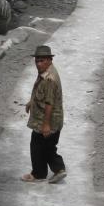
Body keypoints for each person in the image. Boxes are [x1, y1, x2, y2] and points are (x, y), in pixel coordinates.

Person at [22, 44, 66, 183]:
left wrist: (46, 125)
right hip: (44, 118)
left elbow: (49, 103)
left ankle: (57, 170)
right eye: (37, 61)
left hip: (49, 120)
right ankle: (40, 173)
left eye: (42, 61)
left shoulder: (49, 79)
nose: (38, 64)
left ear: (49, 60)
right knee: (42, 146)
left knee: (43, 147)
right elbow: (39, 90)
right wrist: (31, 101)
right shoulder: (45, 71)